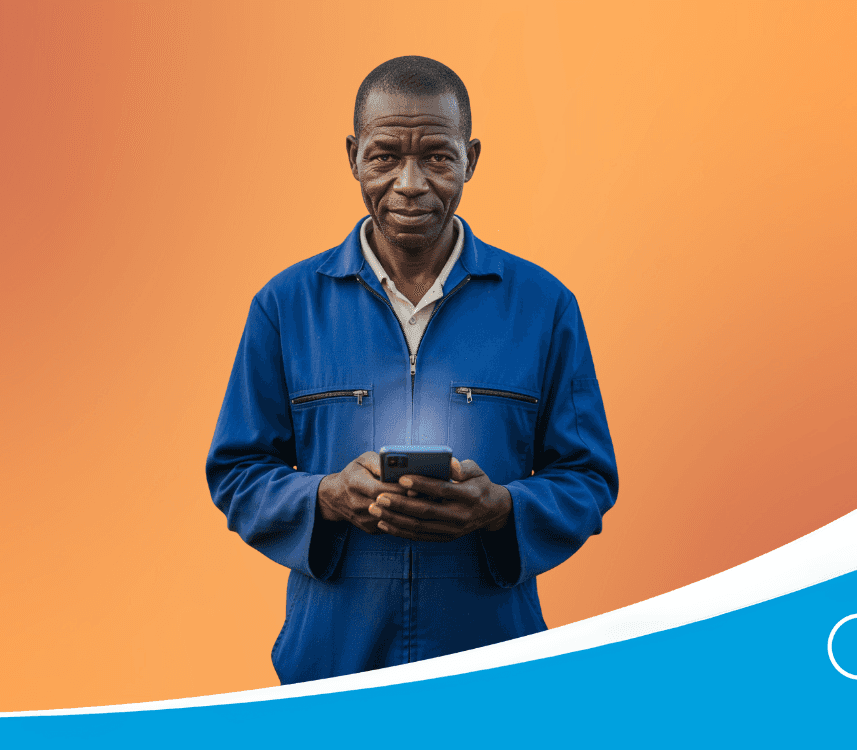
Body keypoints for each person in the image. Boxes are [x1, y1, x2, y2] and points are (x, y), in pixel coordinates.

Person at [206, 56, 618, 684]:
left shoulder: (544, 306)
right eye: (384, 157)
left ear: (470, 160)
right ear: (353, 157)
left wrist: (501, 508)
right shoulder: (285, 307)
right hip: (332, 673)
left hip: (492, 668)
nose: (410, 183)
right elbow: (237, 472)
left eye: (437, 157)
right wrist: (327, 496)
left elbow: (587, 478)